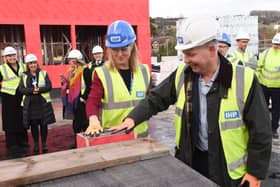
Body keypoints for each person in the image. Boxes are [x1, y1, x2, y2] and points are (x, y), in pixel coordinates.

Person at [110, 16, 272, 187]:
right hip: (191, 163)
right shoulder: (183, 74)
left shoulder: (243, 79)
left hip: (229, 173)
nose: (186, 60)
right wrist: (133, 118)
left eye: (191, 54)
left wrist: (255, 173)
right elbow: (155, 99)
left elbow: (261, 131)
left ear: (211, 49)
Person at [85, 20, 150, 137]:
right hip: (114, 138)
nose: (119, 54)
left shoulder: (144, 71)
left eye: (124, 49)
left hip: (141, 138)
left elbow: (151, 102)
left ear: (132, 47)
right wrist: (93, 119)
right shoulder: (102, 73)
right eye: (115, 49)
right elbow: (92, 101)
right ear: (109, 49)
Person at [19, 54, 56, 154]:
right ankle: (36, 143)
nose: (33, 65)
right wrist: (31, 90)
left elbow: (49, 86)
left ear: (37, 63)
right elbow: (21, 89)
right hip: (31, 105)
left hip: (42, 103)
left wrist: (39, 90)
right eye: (30, 63)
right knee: (34, 125)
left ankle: (43, 143)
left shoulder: (43, 73)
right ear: (27, 65)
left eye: (34, 63)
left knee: (44, 125)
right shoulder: (24, 75)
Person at [0, 46, 28, 159]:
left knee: (21, 119)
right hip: (8, 98)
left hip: (21, 97)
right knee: (10, 121)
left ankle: (22, 142)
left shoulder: (22, 66)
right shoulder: (1, 68)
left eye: (13, 55)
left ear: (16, 56)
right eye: (9, 56)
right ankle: (12, 145)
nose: (12, 57)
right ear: (5, 57)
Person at [61, 49, 88, 148]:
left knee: (84, 122)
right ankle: (77, 141)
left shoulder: (85, 69)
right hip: (72, 100)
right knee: (75, 123)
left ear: (77, 60)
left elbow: (89, 85)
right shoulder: (70, 71)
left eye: (71, 60)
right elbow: (67, 84)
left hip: (81, 100)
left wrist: (84, 97)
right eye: (69, 60)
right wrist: (64, 82)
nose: (69, 62)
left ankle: (85, 141)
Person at [256, 32, 280, 139]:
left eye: (278, 44)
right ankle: (264, 128)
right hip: (263, 86)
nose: (276, 46)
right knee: (263, 108)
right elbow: (258, 68)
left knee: (276, 109)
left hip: (277, 88)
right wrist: (256, 82)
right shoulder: (265, 53)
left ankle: (273, 129)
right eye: (275, 44)